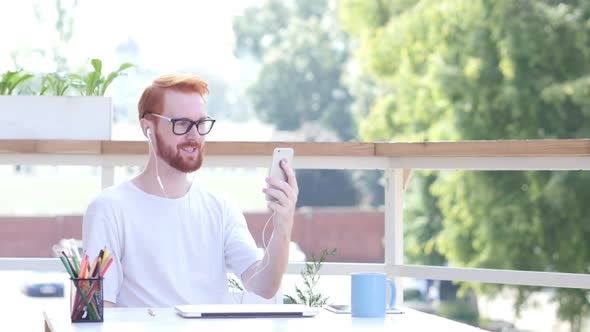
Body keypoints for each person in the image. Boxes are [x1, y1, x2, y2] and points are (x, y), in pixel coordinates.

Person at [83, 74, 298, 307]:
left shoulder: (221, 209)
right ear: (148, 127)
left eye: (201, 124)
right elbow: (98, 311)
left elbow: (264, 286)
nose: (194, 135)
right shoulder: (108, 208)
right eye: (182, 124)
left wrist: (283, 223)